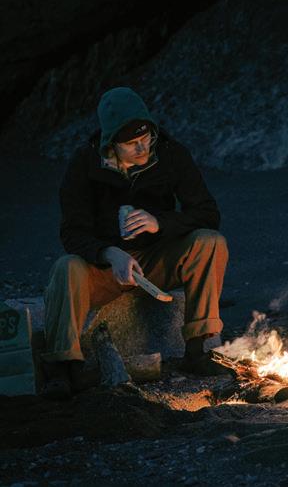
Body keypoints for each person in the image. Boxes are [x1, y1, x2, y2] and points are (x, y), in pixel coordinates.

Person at [41, 87, 229, 399]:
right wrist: (108, 253)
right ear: (111, 144)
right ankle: (63, 366)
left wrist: (161, 222)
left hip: (156, 260)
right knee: (66, 267)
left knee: (210, 242)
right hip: (105, 270)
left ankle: (197, 350)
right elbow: (72, 233)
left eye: (147, 137)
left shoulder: (170, 154)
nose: (142, 147)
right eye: (131, 143)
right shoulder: (85, 164)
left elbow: (208, 214)